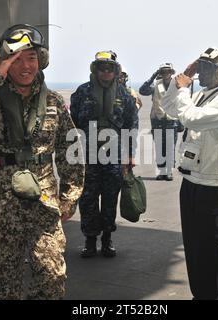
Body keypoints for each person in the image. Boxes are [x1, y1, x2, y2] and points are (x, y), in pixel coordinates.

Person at [0, 24, 85, 299]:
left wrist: (70, 196)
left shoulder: (54, 102)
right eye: (16, 59)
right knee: (3, 283)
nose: (25, 66)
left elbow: (70, 148)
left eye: (32, 58)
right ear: (3, 62)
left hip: (43, 203)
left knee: (51, 277)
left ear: (41, 61)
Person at [162, 47, 218, 300]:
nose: (201, 73)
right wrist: (181, 81)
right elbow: (169, 107)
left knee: (211, 253)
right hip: (193, 182)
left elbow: (190, 119)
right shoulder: (206, 94)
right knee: (195, 251)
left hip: (213, 187)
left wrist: (185, 89)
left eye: (206, 68)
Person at [70, 50, 138, 258]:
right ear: (95, 70)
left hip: (114, 155)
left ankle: (107, 239)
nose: (106, 72)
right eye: (102, 68)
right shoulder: (82, 92)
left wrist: (129, 155)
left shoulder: (124, 95)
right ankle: (90, 241)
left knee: (110, 198)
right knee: (88, 199)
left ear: (116, 70)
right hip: (87, 154)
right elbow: (72, 123)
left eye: (110, 68)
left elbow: (131, 126)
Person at [140, 63, 179, 181]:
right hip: (158, 121)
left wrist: (181, 121)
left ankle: (169, 172)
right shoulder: (156, 86)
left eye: (167, 71)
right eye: (162, 72)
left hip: (172, 122)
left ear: (171, 72)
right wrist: (153, 76)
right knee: (159, 148)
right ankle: (162, 172)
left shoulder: (177, 85)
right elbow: (143, 90)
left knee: (170, 148)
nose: (165, 74)